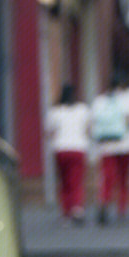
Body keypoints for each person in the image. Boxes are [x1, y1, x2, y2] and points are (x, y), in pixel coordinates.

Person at [90, 73, 129, 223]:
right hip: (123, 144)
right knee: (123, 179)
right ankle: (122, 209)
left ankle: (104, 201)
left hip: (105, 145)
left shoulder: (99, 101)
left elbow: (93, 124)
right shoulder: (126, 99)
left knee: (107, 178)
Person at [46, 82, 90, 222]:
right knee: (76, 180)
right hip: (78, 148)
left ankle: (66, 211)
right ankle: (77, 207)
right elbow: (88, 129)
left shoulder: (55, 111)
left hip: (61, 149)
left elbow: (49, 132)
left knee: (64, 182)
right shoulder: (82, 109)